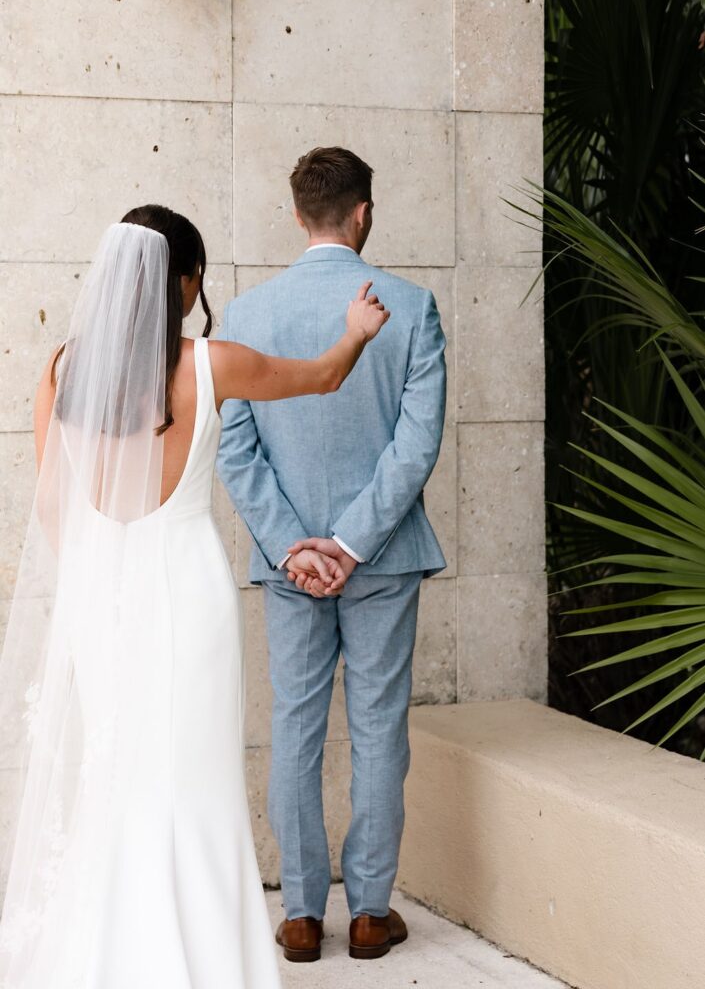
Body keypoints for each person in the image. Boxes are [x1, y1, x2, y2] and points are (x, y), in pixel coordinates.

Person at [0, 205, 388, 989]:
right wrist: (356, 328)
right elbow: (323, 375)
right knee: (193, 776)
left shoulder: (60, 370)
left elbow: (52, 508)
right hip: (187, 592)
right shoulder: (211, 364)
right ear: (184, 282)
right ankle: (205, 959)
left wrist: (102, 579)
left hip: (102, 595)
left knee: (116, 774)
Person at [216, 146, 447, 963]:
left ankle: (303, 914)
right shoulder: (411, 306)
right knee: (381, 729)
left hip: (290, 567)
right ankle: (371, 914)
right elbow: (416, 448)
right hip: (379, 559)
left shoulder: (243, 314)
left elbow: (235, 451)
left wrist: (294, 548)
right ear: (362, 213)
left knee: (295, 729)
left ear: (297, 214)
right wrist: (351, 543)